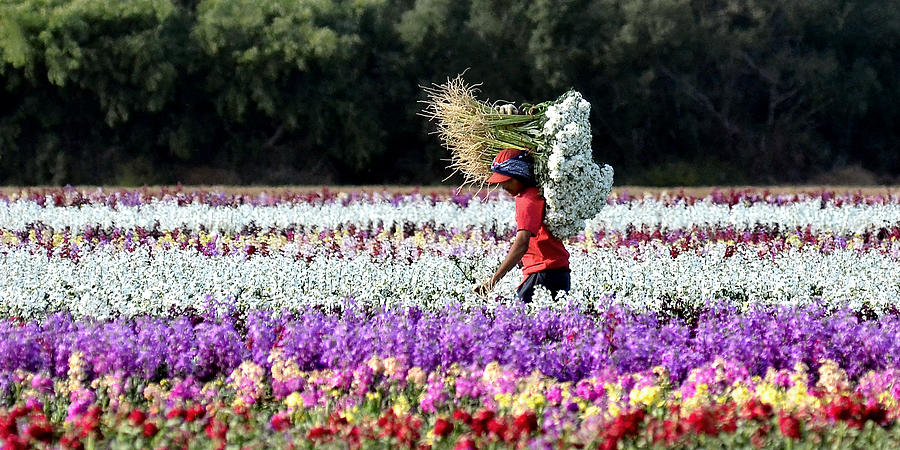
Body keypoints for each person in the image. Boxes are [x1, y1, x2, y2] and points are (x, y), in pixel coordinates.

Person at [473, 147, 571, 302]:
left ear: (521, 174)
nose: (504, 186)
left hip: (544, 273)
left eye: (508, 180)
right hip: (554, 272)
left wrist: (493, 281)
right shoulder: (537, 193)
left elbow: (522, 243)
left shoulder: (527, 199)